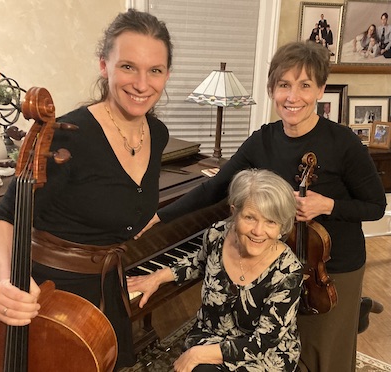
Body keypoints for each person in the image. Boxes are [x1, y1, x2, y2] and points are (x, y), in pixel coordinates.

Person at [136, 41, 386, 372]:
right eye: (284, 85)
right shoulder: (262, 140)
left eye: (305, 86)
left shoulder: (344, 143)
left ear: (321, 89)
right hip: (275, 256)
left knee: (323, 351)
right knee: (272, 337)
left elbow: (375, 206)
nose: (293, 97)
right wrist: (157, 216)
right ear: (272, 89)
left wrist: (326, 204)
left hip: (331, 264)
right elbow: (214, 187)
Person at [0, 9, 172, 370]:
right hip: (49, 294)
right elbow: (4, 217)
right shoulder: (66, 135)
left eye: (155, 70)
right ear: (104, 65)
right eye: (127, 67)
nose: (141, 83)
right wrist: (5, 283)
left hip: (107, 288)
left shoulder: (158, 133)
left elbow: (132, 211)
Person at [128, 168, 304, 371]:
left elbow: (262, 343)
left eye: (270, 222)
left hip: (263, 355)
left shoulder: (288, 272)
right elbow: (200, 261)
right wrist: (158, 276)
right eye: (250, 217)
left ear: (282, 225)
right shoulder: (218, 234)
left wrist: (197, 354)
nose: (258, 231)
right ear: (234, 212)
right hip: (211, 334)